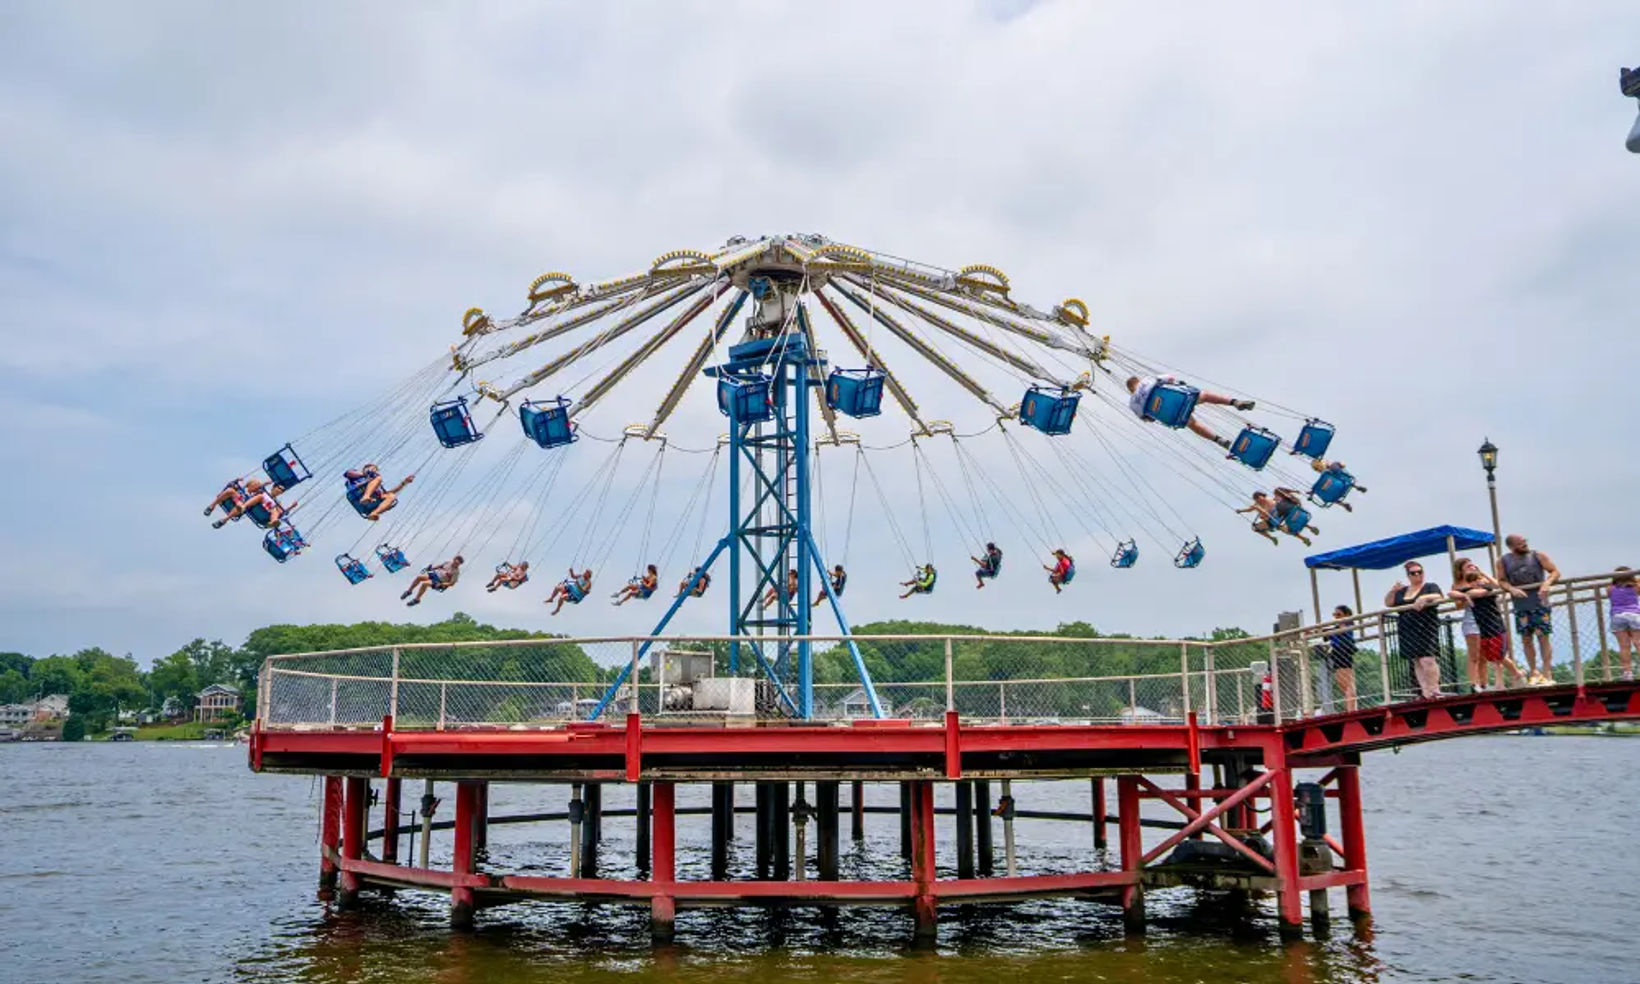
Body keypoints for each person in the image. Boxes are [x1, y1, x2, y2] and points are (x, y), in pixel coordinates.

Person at [1450, 558, 1524, 692]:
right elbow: (1457, 605)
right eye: (1468, 567)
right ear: (1460, 570)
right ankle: (1474, 684)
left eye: (1473, 566)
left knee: (1487, 655)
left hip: (1488, 622)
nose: (1472, 568)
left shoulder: (1482, 582)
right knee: (1474, 655)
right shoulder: (1459, 586)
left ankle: (1484, 683)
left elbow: (1496, 585)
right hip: (1472, 621)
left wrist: (1482, 574)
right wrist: (1466, 596)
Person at [1497, 534, 1561, 685]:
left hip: (1540, 603)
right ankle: (1534, 672)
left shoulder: (1537, 555)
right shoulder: (1503, 561)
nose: (1525, 545)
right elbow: (1501, 581)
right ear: (1512, 546)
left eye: (1525, 542)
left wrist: (1547, 583)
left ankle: (1547, 673)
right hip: (1521, 605)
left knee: (1543, 636)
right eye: (1520, 543)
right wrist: (1511, 589)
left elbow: (1555, 572)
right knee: (1526, 638)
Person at [1125, 374, 1254, 449]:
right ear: (1138, 381)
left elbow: (1148, 419)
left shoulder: (1133, 404)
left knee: (1191, 423)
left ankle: (1219, 440)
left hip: (1171, 415)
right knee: (1205, 396)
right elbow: (1170, 378)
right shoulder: (1147, 380)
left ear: (1131, 390)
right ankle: (1234, 402)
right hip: (1179, 400)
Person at [1386, 560, 1444, 700]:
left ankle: (1434, 690)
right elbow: (1389, 603)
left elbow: (1439, 596)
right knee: (1417, 661)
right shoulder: (1403, 591)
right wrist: (1393, 591)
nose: (1417, 575)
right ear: (1408, 575)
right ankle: (1425, 692)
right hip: (1407, 628)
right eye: (1413, 573)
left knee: (1427, 659)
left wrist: (1424, 597)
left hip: (1426, 626)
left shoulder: (1430, 587)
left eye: (1420, 572)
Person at [345, 464, 415, 522]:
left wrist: (404, 483)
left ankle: (374, 513)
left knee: (391, 496)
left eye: (375, 470)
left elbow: (389, 492)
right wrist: (365, 474)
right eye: (372, 469)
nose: (374, 471)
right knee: (378, 478)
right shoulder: (357, 477)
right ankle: (366, 496)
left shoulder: (376, 484)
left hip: (374, 500)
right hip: (358, 492)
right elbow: (348, 473)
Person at [212, 483, 294, 528]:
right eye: (279, 488)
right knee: (259, 496)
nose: (280, 491)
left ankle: (272, 522)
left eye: (282, 490)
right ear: (273, 487)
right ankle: (224, 520)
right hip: (254, 506)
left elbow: (282, 513)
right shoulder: (263, 491)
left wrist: (291, 507)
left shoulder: (277, 503)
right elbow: (250, 489)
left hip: (265, 513)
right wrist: (265, 483)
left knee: (275, 511)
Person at [1324, 605, 1359, 712]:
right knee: (1342, 683)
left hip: (1343, 653)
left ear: (1346, 615)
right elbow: (1328, 634)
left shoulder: (1347, 624)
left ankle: (1351, 710)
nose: (1336, 618)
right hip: (1338, 654)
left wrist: (1328, 631)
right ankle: (1351, 708)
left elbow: (1339, 631)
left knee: (1347, 683)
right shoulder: (1338, 627)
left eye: (1339, 615)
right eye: (1335, 615)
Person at [1609, 567, 1640, 681]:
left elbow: (1609, 594)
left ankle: (1627, 673)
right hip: (1634, 615)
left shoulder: (1611, 589)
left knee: (1624, 646)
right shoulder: (1635, 587)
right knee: (1638, 642)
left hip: (1617, 616)